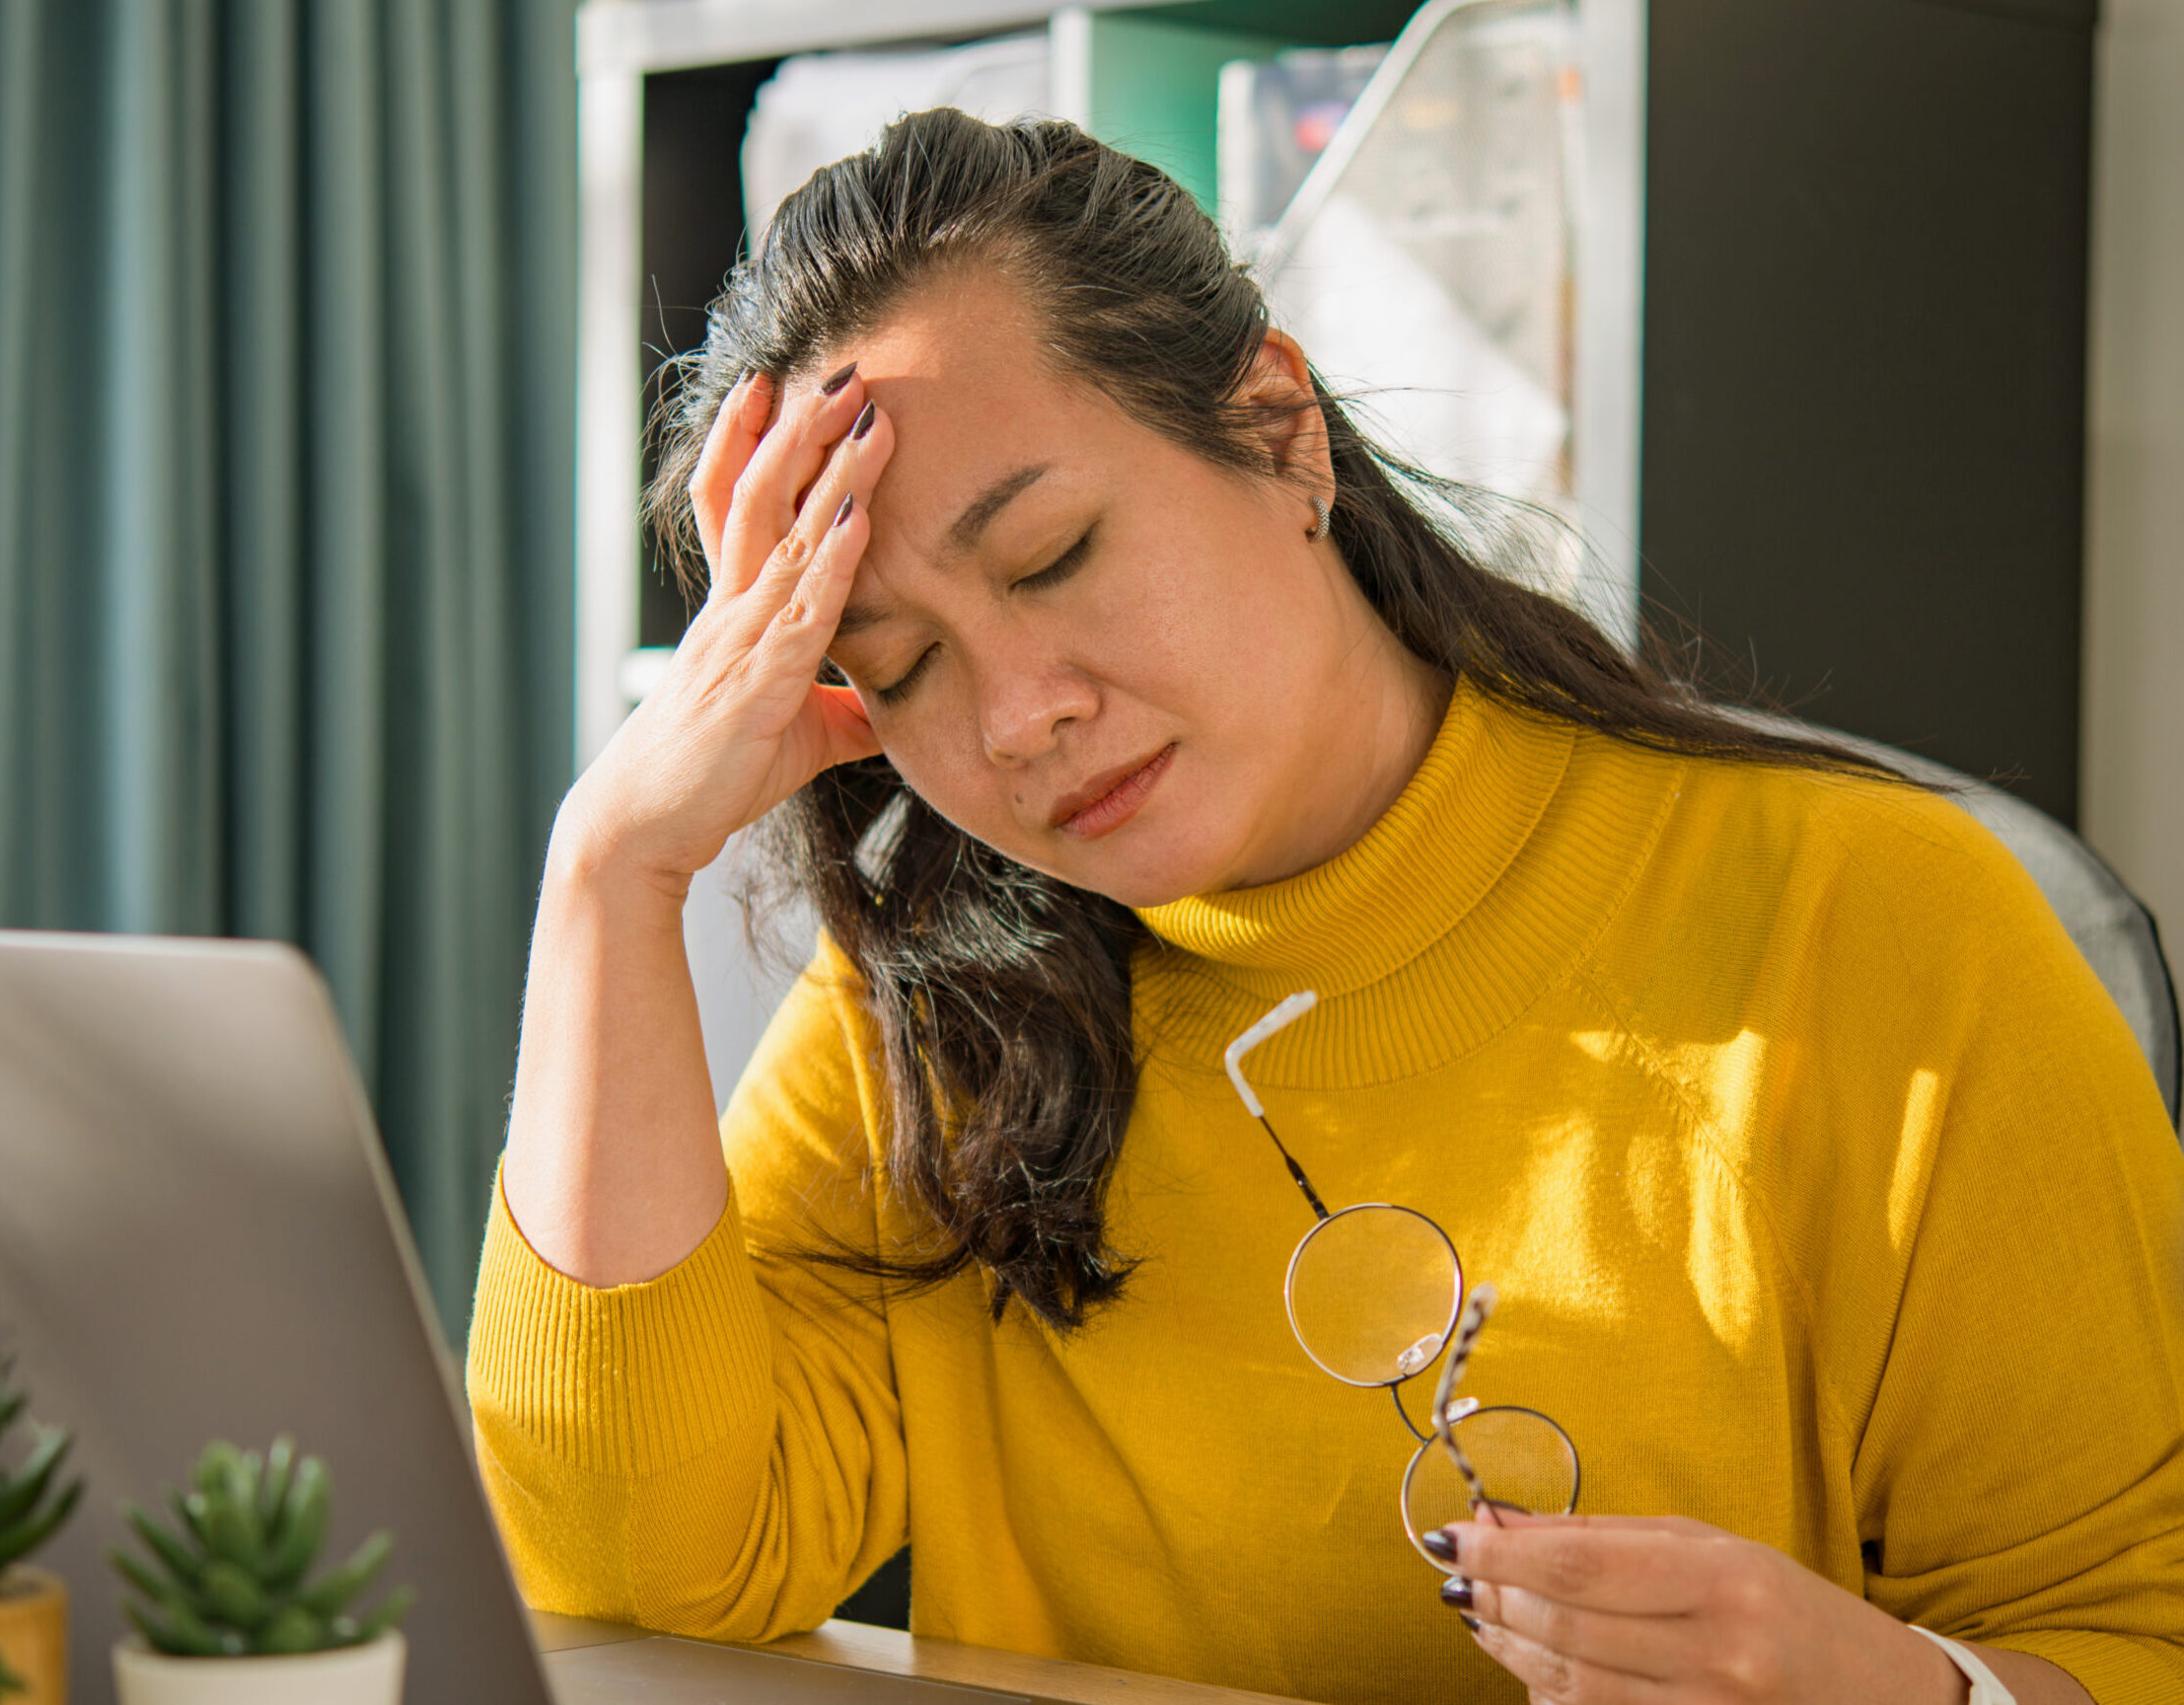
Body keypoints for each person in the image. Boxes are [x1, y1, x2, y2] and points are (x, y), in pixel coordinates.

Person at [467, 110, 2184, 1704]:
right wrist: (611, 874)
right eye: (894, 667)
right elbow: (630, 1573)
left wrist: (1905, 1689)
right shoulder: (937, 1006)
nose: (1013, 720)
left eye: (1051, 555)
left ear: (1277, 430)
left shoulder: (1880, 928)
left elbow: (2136, 1624)